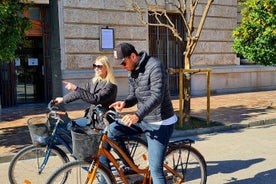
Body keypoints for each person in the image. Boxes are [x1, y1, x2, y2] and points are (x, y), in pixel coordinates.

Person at [105, 43, 177, 183]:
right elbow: (134, 96)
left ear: (133, 56)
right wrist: (125, 103)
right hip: (143, 119)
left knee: (155, 170)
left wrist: (137, 115)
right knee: (112, 131)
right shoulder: (131, 70)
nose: (122, 66)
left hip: (160, 123)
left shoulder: (155, 65)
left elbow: (157, 96)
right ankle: (130, 166)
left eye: (123, 63)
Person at [54, 55, 117, 128]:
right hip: (92, 118)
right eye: (95, 66)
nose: (96, 69)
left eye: (99, 66)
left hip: (104, 121)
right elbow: (79, 93)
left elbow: (95, 99)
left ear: (106, 68)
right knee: (71, 125)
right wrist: (63, 99)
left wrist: (76, 88)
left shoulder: (110, 86)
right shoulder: (94, 82)